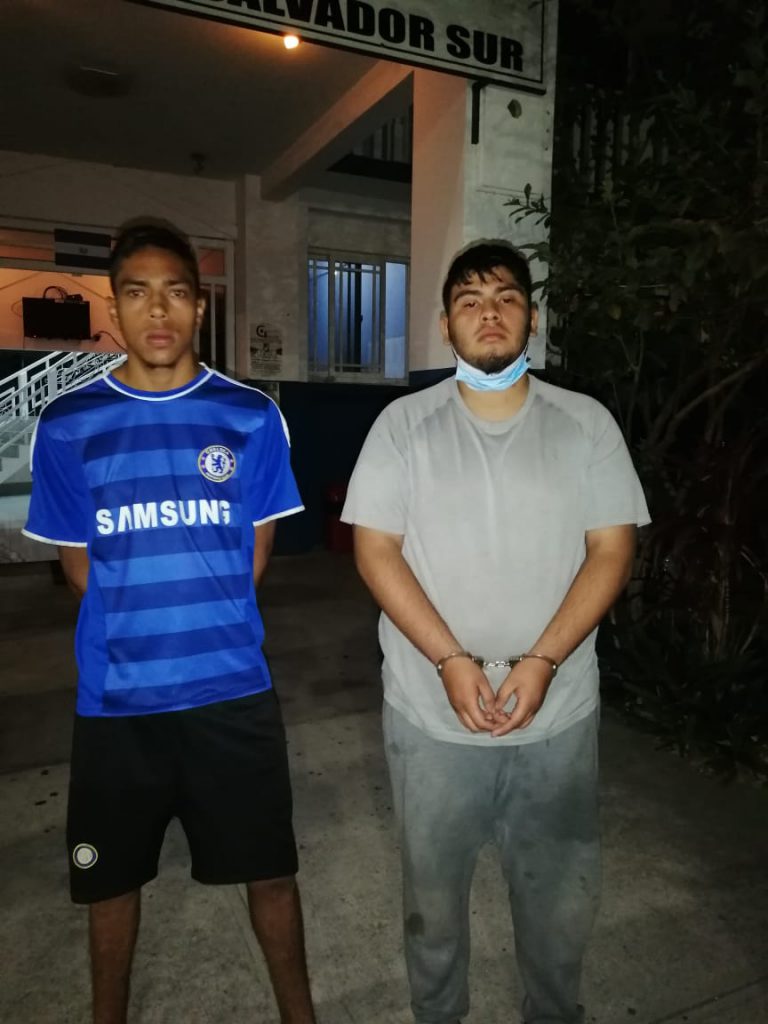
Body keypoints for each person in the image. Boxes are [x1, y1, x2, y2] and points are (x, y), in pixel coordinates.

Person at [341, 240, 650, 1024]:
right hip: (429, 718)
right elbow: (376, 551)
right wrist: (449, 659)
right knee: (433, 904)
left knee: (559, 905)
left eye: (507, 297)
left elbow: (611, 549)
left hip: (559, 717)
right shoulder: (401, 427)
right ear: (445, 323)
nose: (489, 312)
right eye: (470, 300)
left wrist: (543, 660)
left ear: (533, 319)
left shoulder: (585, 425)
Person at [22, 220, 316, 1024]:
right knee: (110, 885)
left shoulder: (251, 416)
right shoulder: (68, 424)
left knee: (272, 872)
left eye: (176, 292)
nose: (158, 310)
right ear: (113, 306)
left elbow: (253, 558)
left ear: (200, 306)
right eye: (138, 292)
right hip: (118, 705)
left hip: (232, 693)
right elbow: (78, 568)